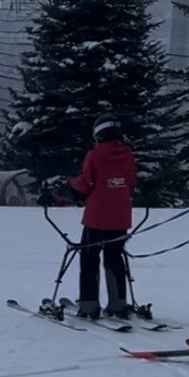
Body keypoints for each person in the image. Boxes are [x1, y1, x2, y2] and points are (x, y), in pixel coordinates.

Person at [68, 116, 138, 319]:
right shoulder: (128, 156)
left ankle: (89, 304)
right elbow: (131, 183)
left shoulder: (95, 154)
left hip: (96, 217)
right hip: (121, 217)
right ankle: (118, 303)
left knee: (89, 259)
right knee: (115, 259)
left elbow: (86, 183)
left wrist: (71, 183)